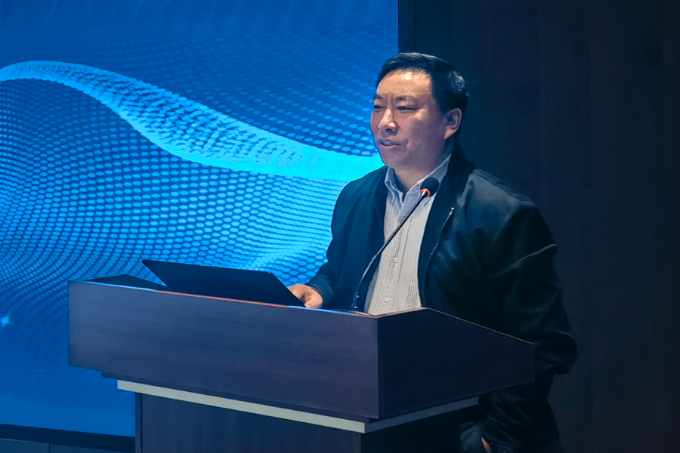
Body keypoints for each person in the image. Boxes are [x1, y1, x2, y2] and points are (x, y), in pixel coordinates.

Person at [289, 53, 577, 453]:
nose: (385, 122)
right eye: (378, 106)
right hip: (368, 419)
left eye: (405, 108)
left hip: (458, 426)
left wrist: (493, 438)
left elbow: (543, 343)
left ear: (451, 121)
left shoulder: (501, 213)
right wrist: (319, 290)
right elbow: (339, 273)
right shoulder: (355, 196)